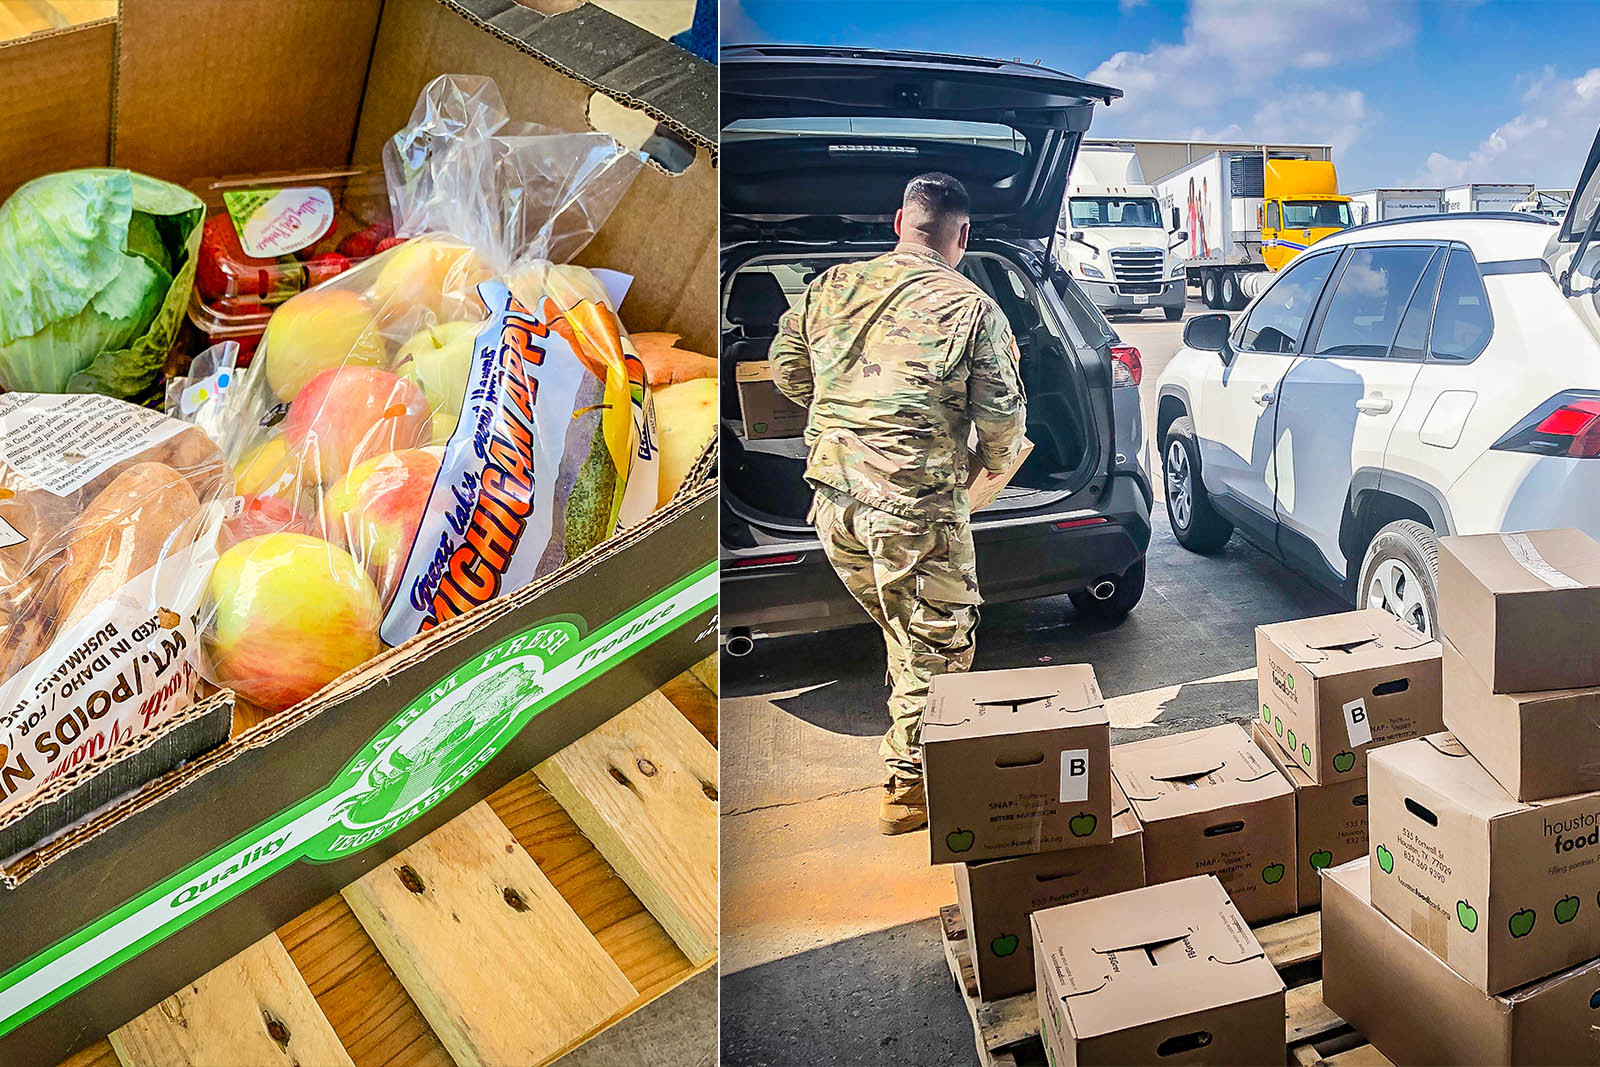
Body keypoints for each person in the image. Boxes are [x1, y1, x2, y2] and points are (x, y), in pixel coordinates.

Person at [767, 172, 1028, 835]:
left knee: (907, 634)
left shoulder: (828, 286)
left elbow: (787, 369)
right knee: (938, 650)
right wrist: (993, 470)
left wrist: (849, 421)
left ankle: (922, 752)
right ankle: (908, 788)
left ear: (898, 221)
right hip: (914, 510)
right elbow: (1001, 418)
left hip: (833, 501)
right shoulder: (973, 308)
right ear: (961, 235)